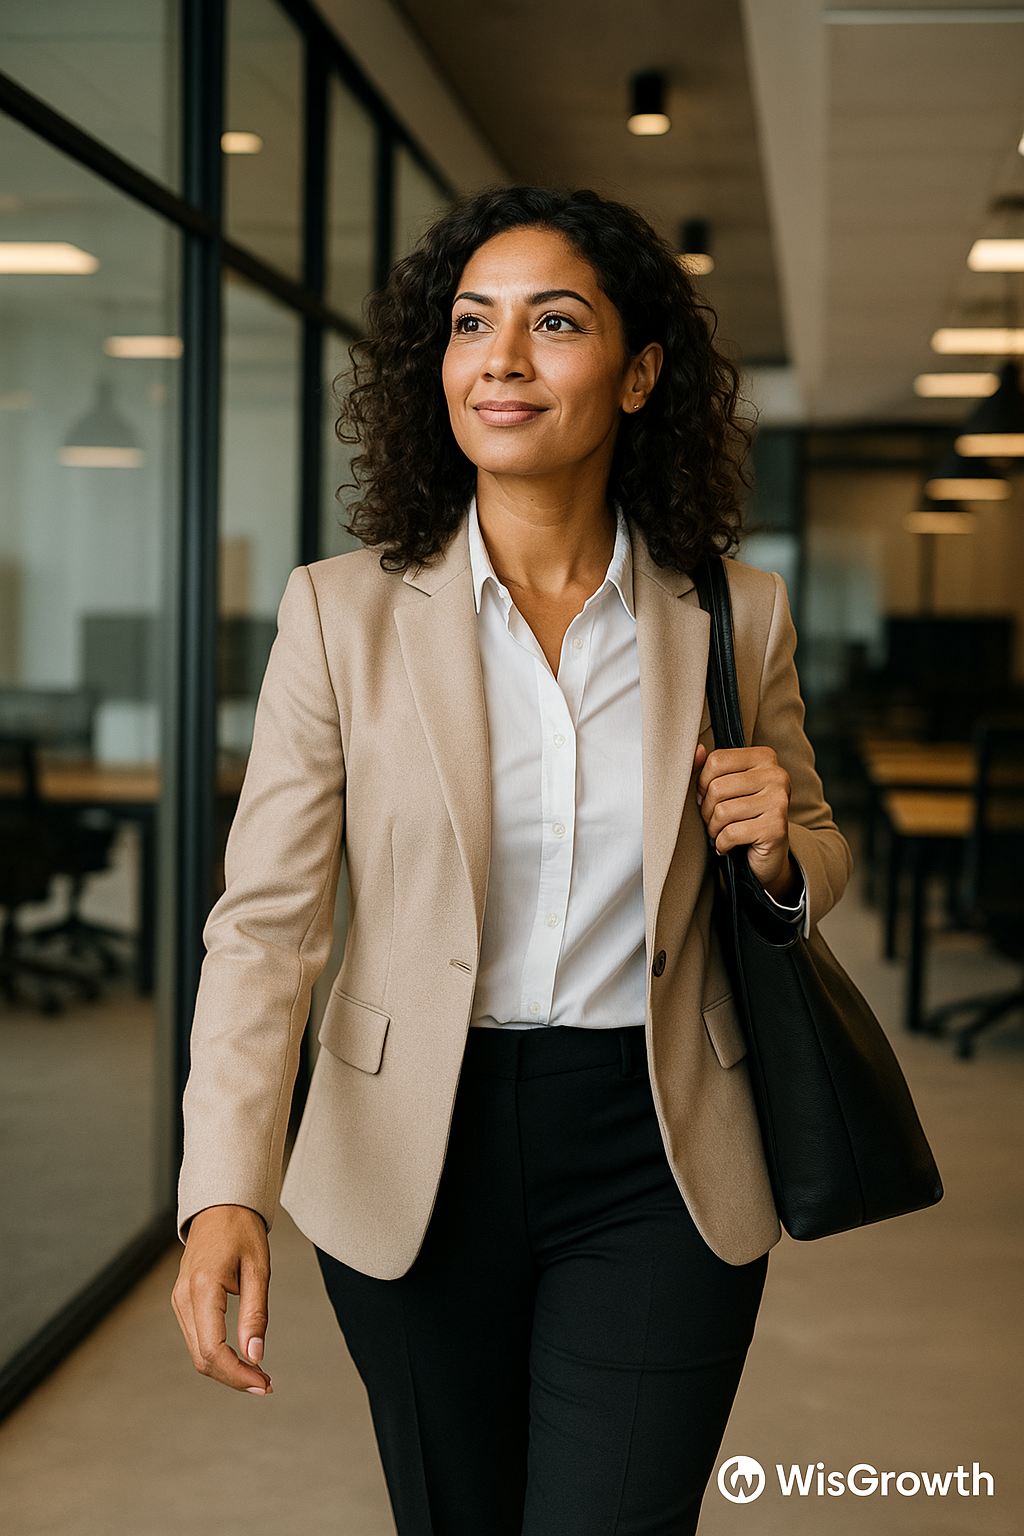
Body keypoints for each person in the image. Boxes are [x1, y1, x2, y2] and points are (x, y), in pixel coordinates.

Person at [172, 185, 851, 1535]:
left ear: (639, 373)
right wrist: (224, 1187)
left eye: (555, 323)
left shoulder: (734, 612)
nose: (502, 359)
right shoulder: (340, 614)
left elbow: (816, 853)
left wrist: (782, 856)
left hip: (662, 1142)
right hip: (413, 1147)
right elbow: (266, 926)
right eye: (472, 323)